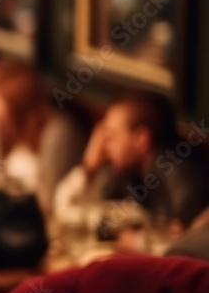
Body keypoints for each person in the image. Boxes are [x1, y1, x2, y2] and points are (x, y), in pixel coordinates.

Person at [78, 92, 208, 233]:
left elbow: (178, 237)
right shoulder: (129, 169)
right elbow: (91, 214)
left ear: (141, 139)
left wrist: (138, 243)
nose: (104, 146)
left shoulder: (179, 172)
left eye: (112, 137)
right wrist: (90, 167)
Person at [0, 59, 87, 214]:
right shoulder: (5, 125)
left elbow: (49, 200)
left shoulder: (57, 132)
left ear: (16, 103)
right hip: (9, 215)